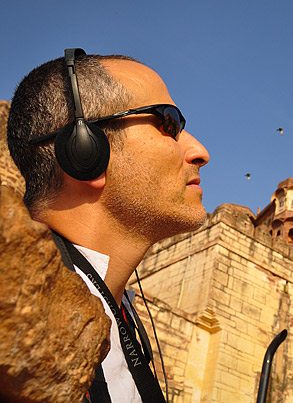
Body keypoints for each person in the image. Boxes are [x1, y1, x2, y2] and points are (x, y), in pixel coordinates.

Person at [6, 49, 210, 402]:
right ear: (84, 149)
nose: (200, 152)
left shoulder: (126, 320)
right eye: (168, 123)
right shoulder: (11, 309)